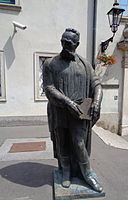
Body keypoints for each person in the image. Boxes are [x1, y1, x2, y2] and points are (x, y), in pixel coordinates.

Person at [43, 28, 103, 192]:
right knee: (62, 142)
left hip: (79, 112)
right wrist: (68, 103)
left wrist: (97, 101)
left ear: (77, 44)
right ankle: (66, 172)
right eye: (63, 41)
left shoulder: (85, 64)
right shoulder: (50, 63)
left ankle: (87, 173)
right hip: (60, 110)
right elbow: (48, 87)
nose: (64, 45)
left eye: (68, 42)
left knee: (78, 142)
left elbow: (96, 84)